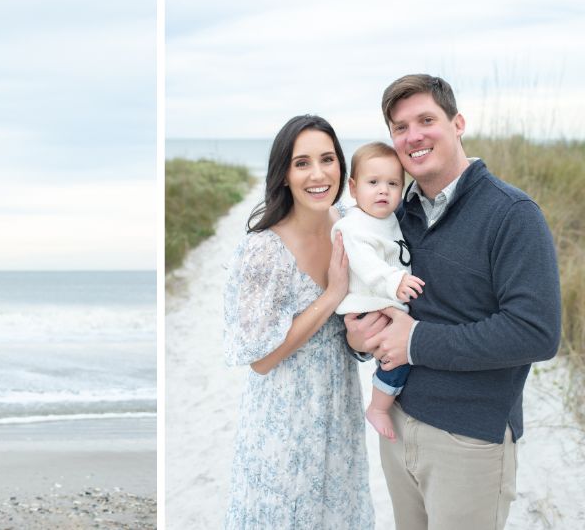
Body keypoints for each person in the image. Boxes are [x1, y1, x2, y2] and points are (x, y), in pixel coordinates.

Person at [347, 74, 561, 530]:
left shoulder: (511, 214)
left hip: (469, 437)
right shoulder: (395, 214)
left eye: (426, 120)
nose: (413, 136)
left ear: (458, 122)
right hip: (398, 423)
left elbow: (536, 333)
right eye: (400, 128)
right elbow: (374, 298)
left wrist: (417, 342)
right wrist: (358, 338)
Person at [222, 114, 373, 528]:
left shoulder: (348, 225)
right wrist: (331, 296)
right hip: (283, 421)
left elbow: (355, 322)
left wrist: (362, 339)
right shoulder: (262, 250)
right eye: (302, 162)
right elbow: (261, 359)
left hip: (339, 412)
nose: (318, 173)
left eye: (328, 159)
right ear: (284, 174)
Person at [330, 142, 425, 440]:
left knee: (398, 352)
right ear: (354, 188)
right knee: (397, 357)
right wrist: (393, 281)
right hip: (368, 302)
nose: (383, 190)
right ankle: (379, 407)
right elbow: (366, 263)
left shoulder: (388, 219)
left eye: (393, 184)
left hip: (382, 299)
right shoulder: (353, 225)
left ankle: (384, 400)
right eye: (373, 183)